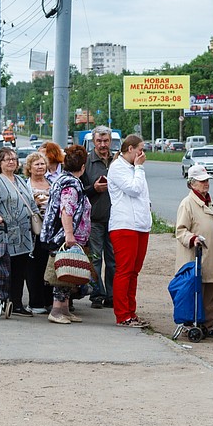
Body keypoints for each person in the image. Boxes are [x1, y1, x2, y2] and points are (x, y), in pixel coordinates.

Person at [0, 147, 36, 316]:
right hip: (2, 233)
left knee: (19, 271)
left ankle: (16, 303)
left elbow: (30, 202)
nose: (11, 162)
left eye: (14, 159)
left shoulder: (19, 180)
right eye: (7, 159)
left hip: (23, 235)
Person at [175, 164, 213, 338]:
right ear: (192, 183)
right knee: (196, 292)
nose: (206, 184)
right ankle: (192, 324)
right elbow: (180, 230)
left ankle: (208, 325)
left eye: (207, 180)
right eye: (202, 181)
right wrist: (192, 238)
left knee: (210, 292)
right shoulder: (187, 203)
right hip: (195, 257)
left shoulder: (208, 201)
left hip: (211, 256)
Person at [42, 145, 92, 325]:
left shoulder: (65, 180)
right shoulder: (71, 185)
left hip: (66, 236)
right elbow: (66, 210)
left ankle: (64, 309)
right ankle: (56, 310)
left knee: (68, 273)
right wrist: (69, 235)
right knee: (62, 273)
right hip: (64, 237)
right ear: (83, 167)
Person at [107, 134, 152, 329]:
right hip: (124, 225)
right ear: (131, 149)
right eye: (140, 149)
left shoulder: (133, 168)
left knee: (134, 271)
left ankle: (131, 312)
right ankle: (122, 314)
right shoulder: (117, 167)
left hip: (140, 225)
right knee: (124, 271)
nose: (143, 154)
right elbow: (134, 189)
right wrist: (140, 168)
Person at [82, 126, 117, 309]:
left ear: (110, 141)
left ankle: (111, 295)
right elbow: (79, 191)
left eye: (106, 141)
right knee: (95, 258)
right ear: (93, 142)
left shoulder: (117, 160)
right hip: (94, 219)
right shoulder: (87, 161)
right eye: (99, 141)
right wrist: (94, 189)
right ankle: (96, 294)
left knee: (113, 260)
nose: (103, 145)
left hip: (115, 219)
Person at [23, 152, 54, 314]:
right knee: (34, 267)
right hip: (32, 231)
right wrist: (33, 203)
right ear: (29, 167)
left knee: (49, 266)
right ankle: (35, 302)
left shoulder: (52, 182)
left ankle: (49, 301)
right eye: (36, 164)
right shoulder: (25, 185)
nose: (40, 167)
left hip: (50, 232)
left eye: (42, 164)